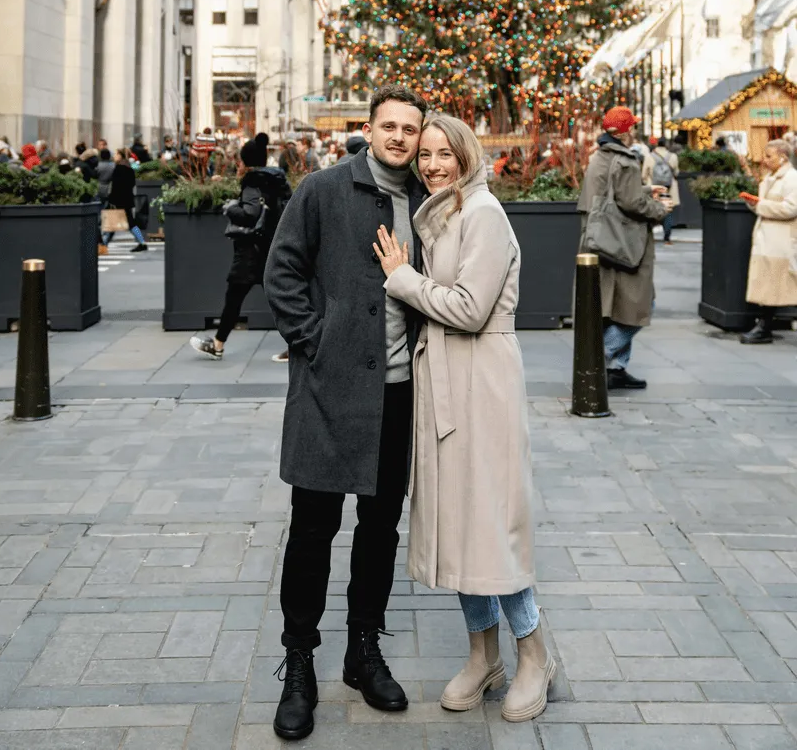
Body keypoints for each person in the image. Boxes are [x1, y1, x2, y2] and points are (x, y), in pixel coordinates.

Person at [375, 114, 555, 724]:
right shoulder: (448, 212)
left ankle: (534, 655)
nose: (430, 165)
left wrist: (402, 280)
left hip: (483, 380)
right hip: (446, 380)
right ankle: (484, 655)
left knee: (490, 522)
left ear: (466, 155)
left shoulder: (483, 214)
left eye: (443, 154)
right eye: (423, 155)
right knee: (457, 521)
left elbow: (472, 308)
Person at [264, 84, 428, 742]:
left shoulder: (426, 198)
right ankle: (299, 661)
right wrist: (315, 341)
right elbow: (282, 270)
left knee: (381, 525)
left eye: (409, 129)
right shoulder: (324, 188)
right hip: (331, 392)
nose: (398, 137)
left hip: (399, 391)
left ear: (420, 135)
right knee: (312, 527)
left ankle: (364, 648)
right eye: (388, 126)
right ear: (369, 128)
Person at [578, 107, 670, 390]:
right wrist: (659, 208)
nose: (634, 132)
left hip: (602, 240)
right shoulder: (626, 160)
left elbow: (612, 194)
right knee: (641, 304)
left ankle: (617, 368)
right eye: (631, 127)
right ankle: (601, 358)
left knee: (614, 307)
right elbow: (632, 204)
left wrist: (644, 190)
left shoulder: (600, 158)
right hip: (624, 244)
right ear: (623, 132)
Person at [190, 134, 291, 360]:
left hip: (251, 251)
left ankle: (217, 345)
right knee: (280, 299)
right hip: (270, 248)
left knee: (235, 298)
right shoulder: (277, 180)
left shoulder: (253, 182)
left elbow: (250, 214)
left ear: (245, 161)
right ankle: (298, 345)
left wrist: (231, 208)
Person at [740, 139, 797, 345]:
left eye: (769, 156)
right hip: (769, 239)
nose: (764, 160)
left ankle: (763, 327)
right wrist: (754, 204)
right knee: (770, 286)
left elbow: (791, 208)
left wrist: (761, 205)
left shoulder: (791, 178)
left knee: (778, 285)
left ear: (782, 157)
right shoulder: (771, 177)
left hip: (779, 242)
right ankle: (763, 326)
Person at [103, 149, 147, 251]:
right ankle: (141, 242)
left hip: (118, 200)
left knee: (111, 223)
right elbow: (132, 184)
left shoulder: (118, 168)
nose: (114, 156)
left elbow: (115, 186)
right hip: (127, 199)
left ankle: (103, 245)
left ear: (120, 156)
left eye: (116, 154)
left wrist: (111, 199)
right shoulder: (130, 168)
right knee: (127, 222)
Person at [643, 137, 680, 245]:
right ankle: (667, 238)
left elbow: (644, 174)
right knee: (667, 211)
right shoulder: (673, 156)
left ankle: (649, 236)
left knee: (651, 211)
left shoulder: (649, 156)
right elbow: (676, 172)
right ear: (666, 144)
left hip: (654, 188)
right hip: (669, 189)